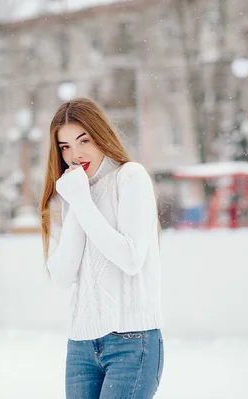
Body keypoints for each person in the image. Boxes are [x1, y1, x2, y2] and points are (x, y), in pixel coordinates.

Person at [39, 98, 164, 398]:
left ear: (101, 135)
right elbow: (61, 275)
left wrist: (82, 202)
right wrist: (75, 200)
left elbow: (131, 258)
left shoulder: (129, 177)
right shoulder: (66, 193)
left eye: (84, 140)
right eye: (65, 146)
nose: (75, 153)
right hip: (81, 346)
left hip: (133, 342)